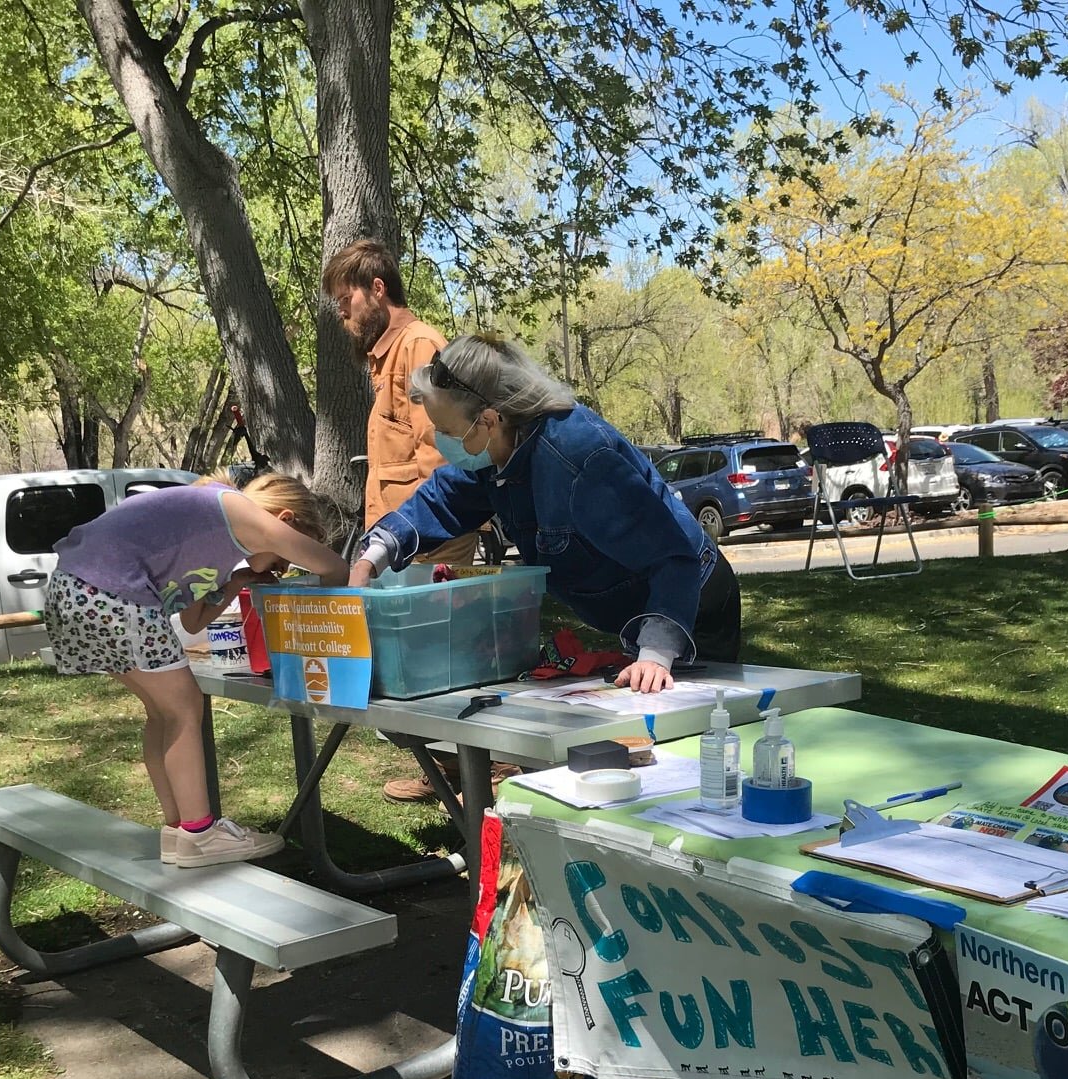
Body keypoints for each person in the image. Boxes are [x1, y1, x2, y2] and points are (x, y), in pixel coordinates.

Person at [350, 335, 741, 691]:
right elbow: (442, 498)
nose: (442, 443)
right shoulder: (492, 452)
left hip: (691, 599)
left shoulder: (583, 458)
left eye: (447, 431)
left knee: (694, 739)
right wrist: (373, 558)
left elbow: (672, 556)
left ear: (489, 419)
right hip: (634, 611)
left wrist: (655, 654)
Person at [45, 473, 350, 867]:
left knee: (163, 714)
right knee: (185, 708)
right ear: (285, 521)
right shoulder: (243, 513)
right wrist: (323, 624)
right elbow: (334, 567)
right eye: (282, 558)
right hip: (109, 594)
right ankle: (200, 835)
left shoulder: (211, 534)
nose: (280, 565)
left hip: (76, 590)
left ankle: (178, 831)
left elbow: (192, 620)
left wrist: (239, 578)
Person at [322, 239, 479, 569]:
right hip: (404, 541)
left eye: (346, 299)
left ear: (377, 289)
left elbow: (439, 453)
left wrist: (421, 533)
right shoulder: (388, 354)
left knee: (435, 623)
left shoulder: (419, 345)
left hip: (430, 541)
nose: (342, 312)